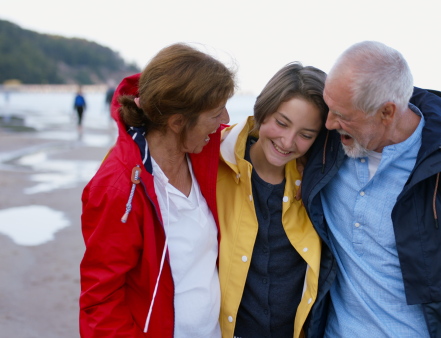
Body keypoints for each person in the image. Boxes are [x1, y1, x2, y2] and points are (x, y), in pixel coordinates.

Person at [301, 41, 441, 337]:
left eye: (343, 115)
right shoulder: (328, 147)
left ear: (387, 113)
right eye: (329, 108)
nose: (328, 123)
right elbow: (269, 138)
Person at [79, 43, 235, 337]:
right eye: (216, 114)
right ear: (177, 122)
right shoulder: (118, 186)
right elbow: (100, 302)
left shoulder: (203, 155)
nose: (224, 121)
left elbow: (264, 137)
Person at [217, 62, 328, 338]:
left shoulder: (319, 184)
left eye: (306, 135)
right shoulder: (215, 160)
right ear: (263, 111)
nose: (288, 142)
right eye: (281, 123)